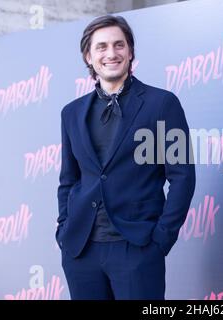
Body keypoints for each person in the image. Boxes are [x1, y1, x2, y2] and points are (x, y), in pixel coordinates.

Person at [56, 14, 195, 300]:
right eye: (102, 47)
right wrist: (64, 228)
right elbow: (69, 179)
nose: (111, 53)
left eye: (119, 45)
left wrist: (161, 238)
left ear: (130, 52)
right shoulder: (71, 112)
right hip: (81, 250)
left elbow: (182, 176)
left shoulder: (162, 104)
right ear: (88, 56)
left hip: (137, 247)